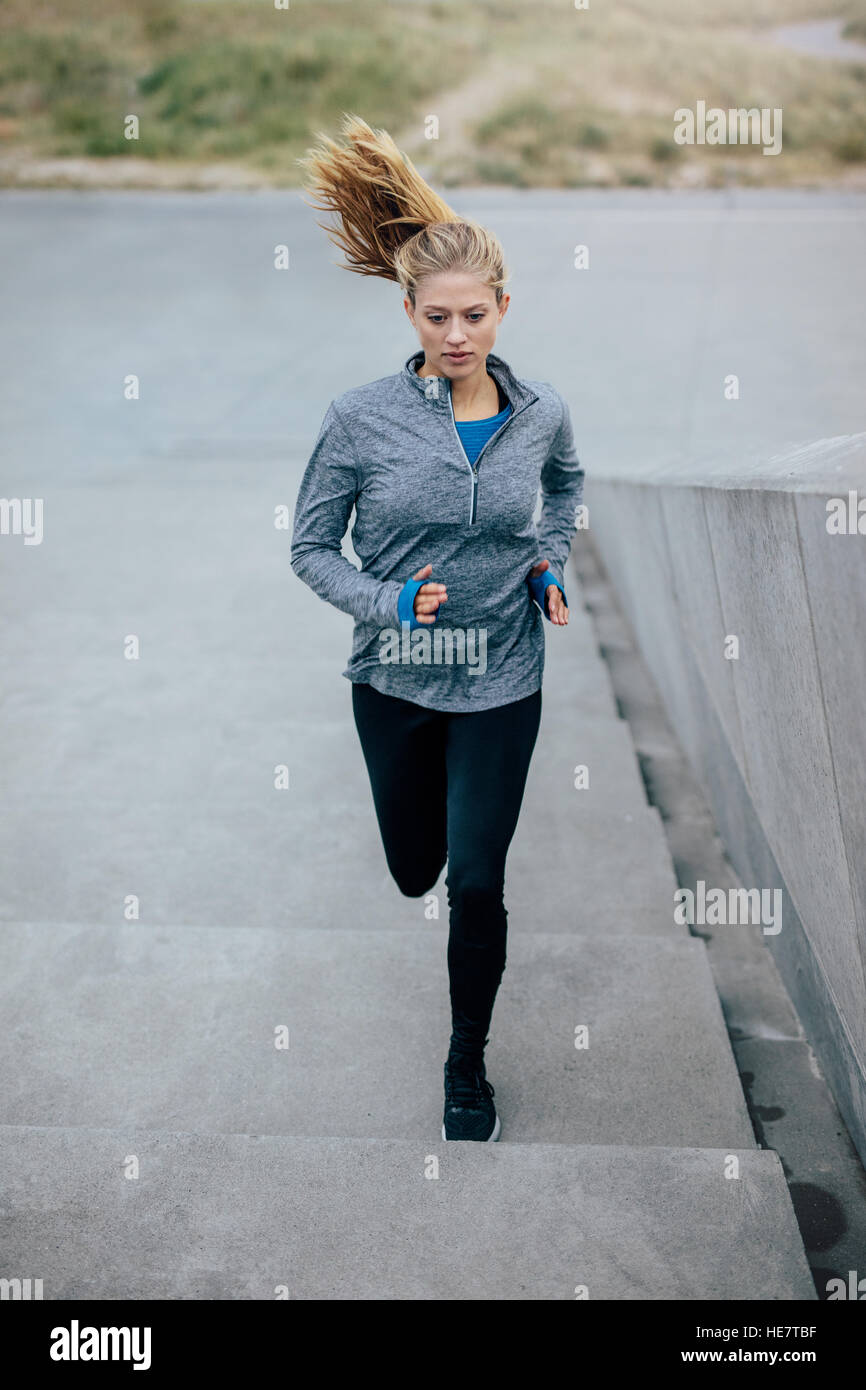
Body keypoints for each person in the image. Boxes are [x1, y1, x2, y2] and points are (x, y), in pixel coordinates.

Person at [291, 114, 585, 1141]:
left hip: (503, 674)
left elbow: (565, 486)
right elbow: (310, 548)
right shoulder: (357, 419)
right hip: (397, 678)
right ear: (409, 313)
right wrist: (384, 601)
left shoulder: (539, 410)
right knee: (414, 865)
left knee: (475, 880)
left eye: (473, 315)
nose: (455, 336)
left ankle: (467, 1063)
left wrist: (548, 558)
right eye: (435, 319)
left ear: (503, 308)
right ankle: (426, 866)